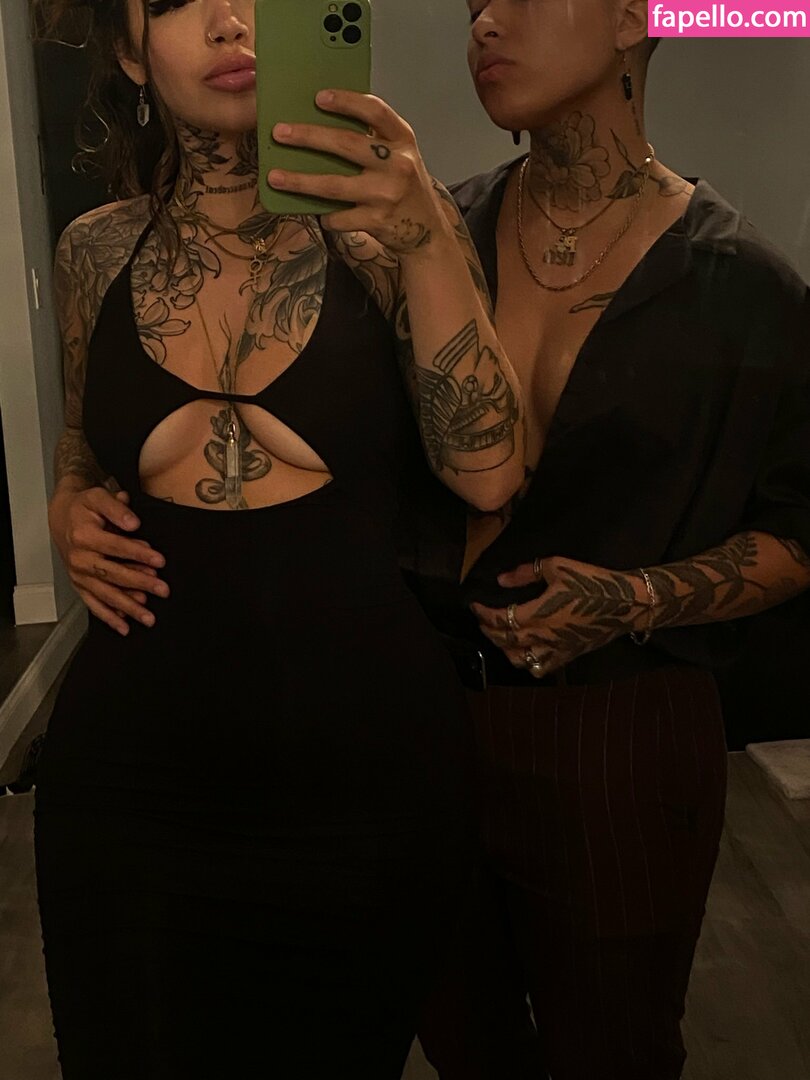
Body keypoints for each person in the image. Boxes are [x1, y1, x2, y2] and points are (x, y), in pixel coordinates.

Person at [33, 0, 525, 1076]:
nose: (228, 18)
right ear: (128, 53)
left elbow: (488, 469)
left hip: (363, 778)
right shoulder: (94, 250)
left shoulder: (397, 234)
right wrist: (67, 508)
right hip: (131, 781)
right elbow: (82, 440)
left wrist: (424, 237)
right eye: (176, 0)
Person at [412, 2, 810, 1079]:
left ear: (634, 18)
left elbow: (799, 531)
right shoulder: (439, 240)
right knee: (462, 1042)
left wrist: (634, 599)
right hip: (427, 715)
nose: (485, 22)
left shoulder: (742, 284)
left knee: (616, 1050)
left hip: (621, 734)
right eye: (473, 2)